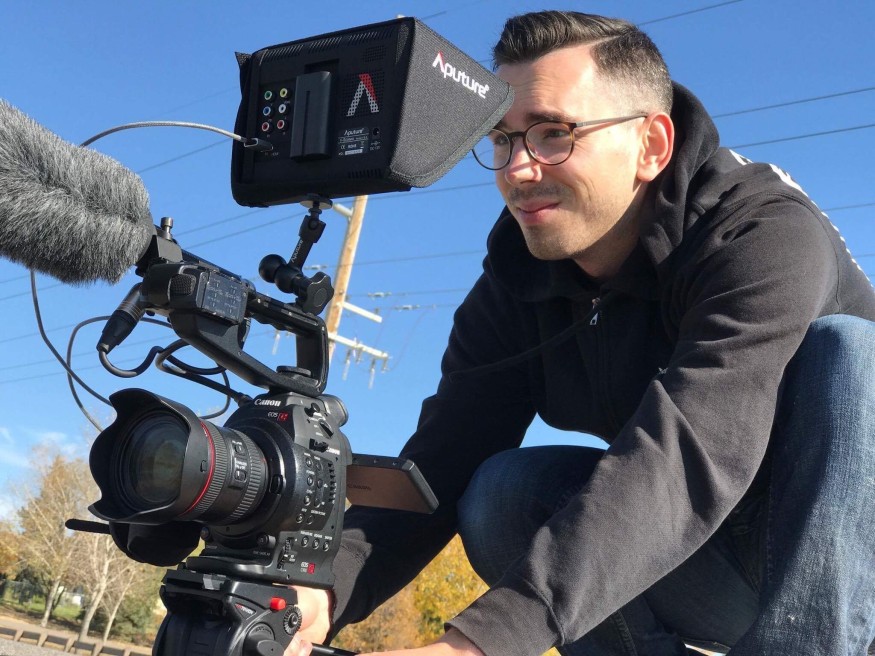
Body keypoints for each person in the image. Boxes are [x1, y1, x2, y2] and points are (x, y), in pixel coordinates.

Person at [286, 10, 875, 656]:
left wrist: (474, 647)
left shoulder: (759, 233)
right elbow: (442, 458)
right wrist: (321, 589)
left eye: (553, 134)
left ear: (651, 146)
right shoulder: (518, 279)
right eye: (502, 140)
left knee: (851, 355)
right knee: (501, 496)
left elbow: (688, 453)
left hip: (843, 563)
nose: (517, 169)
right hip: (707, 561)